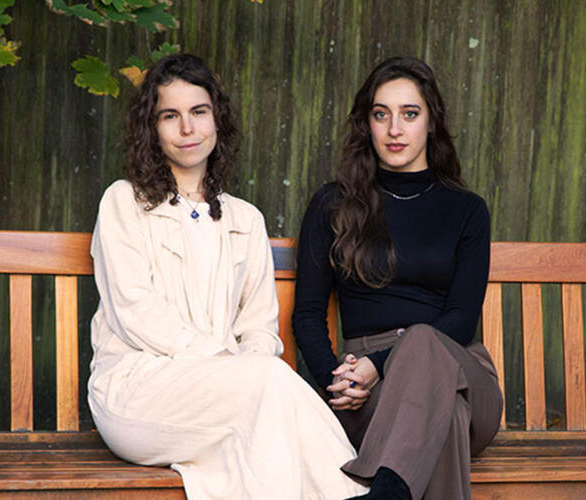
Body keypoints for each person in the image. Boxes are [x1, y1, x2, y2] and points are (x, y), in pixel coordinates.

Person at [88, 53, 368, 500]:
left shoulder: (245, 219)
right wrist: (228, 363)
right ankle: (357, 492)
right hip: (139, 393)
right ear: (151, 128)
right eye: (170, 116)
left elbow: (257, 327)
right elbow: (135, 310)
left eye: (199, 112)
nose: (187, 129)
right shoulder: (125, 202)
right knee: (269, 387)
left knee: (265, 433)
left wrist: (244, 368)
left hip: (234, 396)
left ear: (216, 120)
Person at [293, 56, 503, 500]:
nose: (395, 129)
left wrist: (378, 365)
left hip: (458, 365)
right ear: (366, 124)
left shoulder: (466, 210)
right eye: (380, 114)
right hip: (366, 393)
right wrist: (340, 380)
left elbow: (461, 320)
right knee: (445, 418)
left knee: (425, 341)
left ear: (431, 122)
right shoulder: (333, 203)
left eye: (410, 114)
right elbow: (309, 314)